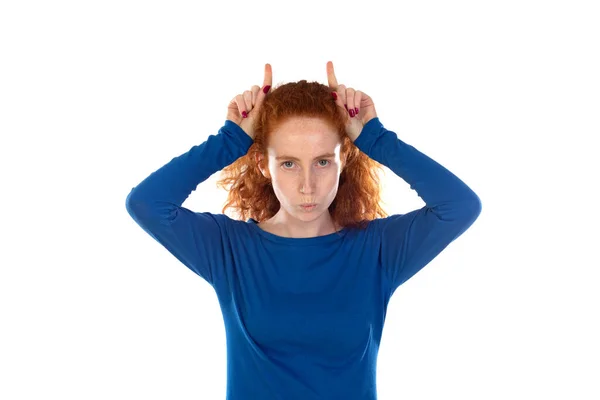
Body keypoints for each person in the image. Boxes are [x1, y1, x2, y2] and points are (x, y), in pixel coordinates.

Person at [125, 61, 482, 399]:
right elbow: (147, 203)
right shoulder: (228, 248)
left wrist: (376, 138)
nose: (308, 186)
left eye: (323, 161)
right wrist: (230, 140)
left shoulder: (377, 250)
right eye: (290, 163)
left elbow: (459, 207)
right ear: (264, 164)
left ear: (343, 161)